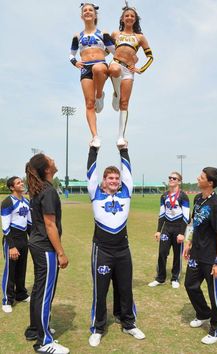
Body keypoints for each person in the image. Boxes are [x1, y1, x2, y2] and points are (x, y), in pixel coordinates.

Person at [87, 142, 145, 347]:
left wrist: (124, 150)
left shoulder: (125, 193)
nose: (114, 180)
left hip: (122, 250)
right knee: (100, 290)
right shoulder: (96, 193)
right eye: (110, 178)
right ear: (103, 181)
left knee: (125, 288)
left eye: (116, 178)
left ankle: (129, 323)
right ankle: (98, 328)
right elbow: (91, 173)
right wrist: (93, 149)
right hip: (101, 250)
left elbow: (128, 173)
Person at [24, 154, 69, 354]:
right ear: (47, 169)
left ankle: (35, 329)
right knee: (44, 292)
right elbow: (50, 225)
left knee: (39, 290)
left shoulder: (38, 189)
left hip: (37, 244)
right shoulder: (48, 191)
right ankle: (43, 341)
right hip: (45, 247)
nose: (54, 159)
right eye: (51, 159)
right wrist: (60, 253)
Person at [184, 167, 217, 345]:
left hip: (211, 258)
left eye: (201, 176)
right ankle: (203, 313)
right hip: (196, 253)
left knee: (215, 293)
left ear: (210, 182)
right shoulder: (197, 199)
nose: (198, 177)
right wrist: (188, 243)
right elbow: (192, 223)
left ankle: (216, 330)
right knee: (190, 285)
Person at [69, 3, 115, 148]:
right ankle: (95, 136)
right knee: (89, 104)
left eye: (90, 10)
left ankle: (100, 95)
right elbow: (71, 54)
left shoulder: (103, 33)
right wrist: (75, 62)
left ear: (95, 15)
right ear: (82, 15)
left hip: (100, 65)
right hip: (85, 68)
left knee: (97, 68)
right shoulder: (78, 36)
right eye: (85, 10)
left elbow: (115, 51)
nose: (88, 12)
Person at [108, 5, 153, 146]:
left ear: (135, 19)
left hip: (129, 70)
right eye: (127, 15)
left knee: (125, 103)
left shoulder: (140, 37)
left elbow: (150, 57)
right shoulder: (115, 34)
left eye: (132, 16)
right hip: (116, 64)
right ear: (122, 18)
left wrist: (141, 69)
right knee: (114, 70)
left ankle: (121, 136)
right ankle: (116, 93)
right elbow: (106, 51)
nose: (129, 17)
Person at [148, 172, 190, 289]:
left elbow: (186, 216)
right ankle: (160, 278)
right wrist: (158, 230)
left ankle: (175, 278)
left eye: (174, 178)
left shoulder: (183, 196)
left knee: (177, 255)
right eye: (170, 178)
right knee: (162, 253)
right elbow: (161, 214)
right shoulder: (164, 196)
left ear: (179, 181)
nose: (171, 179)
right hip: (166, 227)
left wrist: (182, 233)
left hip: (178, 228)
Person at [1, 176, 31, 313]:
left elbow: (29, 224)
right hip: (11, 240)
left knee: (21, 269)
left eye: (21, 181)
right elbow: (5, 226)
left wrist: (33, 240)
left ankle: (21, 294)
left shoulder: (26, 201)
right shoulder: (7, 202)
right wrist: (11, 246)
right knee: (10, 270)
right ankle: (7, 299)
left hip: (23, 240)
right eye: (18, 183)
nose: (22, 183)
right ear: (12, 187)